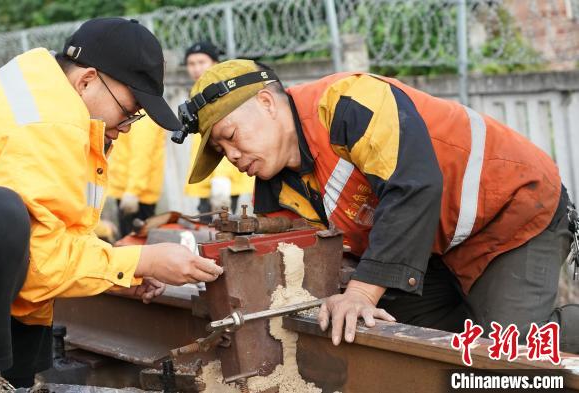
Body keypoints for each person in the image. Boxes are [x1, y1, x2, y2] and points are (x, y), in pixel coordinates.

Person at [0, 18, 223, 391]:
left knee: (18, 245)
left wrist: (123, 275)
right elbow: (39, 262)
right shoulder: (49, 120)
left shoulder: (47, 95)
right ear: (87, 80)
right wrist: (141, 260)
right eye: (130, 108)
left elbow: (52, 237)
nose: (129, 124)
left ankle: (8, 380)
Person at [182, 59, 579, 353]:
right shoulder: (273, 185)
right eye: (221, 150)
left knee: (509, 351)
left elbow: (413, 186)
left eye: (230, 136)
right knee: (423, 344)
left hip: (510, 212)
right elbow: (296, 261)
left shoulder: (347, 103)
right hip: (433, 247)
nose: (232, 155)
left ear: (267, 103)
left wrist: (360, 294)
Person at [183, 42, 254, 216]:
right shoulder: (197, 92)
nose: (196, 68)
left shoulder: (222, 93)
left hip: (224, 180)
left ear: (215, 63)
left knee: (220, 230)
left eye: (201, 62)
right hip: (207, 178)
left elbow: (226, 137)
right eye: (191, 64)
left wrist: (222, 178)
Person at [108, 111, 166, 237]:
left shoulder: (143, 118)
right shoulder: (134, 114)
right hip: (129, 192)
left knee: (133, 245)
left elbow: (141, 157)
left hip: (137, 197)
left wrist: (133, 192)